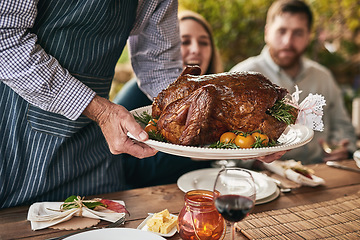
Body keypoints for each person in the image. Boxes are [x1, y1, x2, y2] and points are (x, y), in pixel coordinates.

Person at [0, 0, 184, 209]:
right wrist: (101, 111)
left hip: (95, 142)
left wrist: (186, 111)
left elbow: (158, 64)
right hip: (19, 135)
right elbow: (5, 38)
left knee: (109, 224)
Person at [230, 0, 357, 164]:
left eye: (298, 33)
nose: (288, 42)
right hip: (260, 178)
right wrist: (253, 159)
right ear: (267, 32)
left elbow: (343, 126)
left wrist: (343, 147)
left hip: (320, 173)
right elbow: (225, 143)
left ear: (309, 36)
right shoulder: (241, 76)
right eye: (281, 31)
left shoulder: (323, 77)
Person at [115, 10, 225, 189]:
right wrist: (191, 153)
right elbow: (123, 168)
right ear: (168, 48)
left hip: (207, 192)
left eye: (204, 42)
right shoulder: (137, 94)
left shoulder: (218, 96)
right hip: (153, 198)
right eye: (185, 41)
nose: (196, 49)